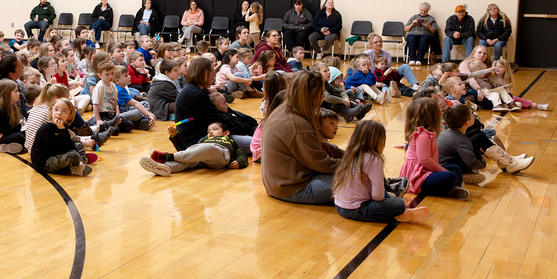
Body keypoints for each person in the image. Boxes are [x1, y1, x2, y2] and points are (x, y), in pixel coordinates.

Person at [260, 70, 344, 205]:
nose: (323, 96)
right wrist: (354, 164)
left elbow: (319, 145)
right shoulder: (295, 123)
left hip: (281, 184)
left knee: (357, 174)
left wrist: (349, 156)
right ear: (310, 95)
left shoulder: (287, 110)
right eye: (320, 93)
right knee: (358, 180)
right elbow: (321, 162)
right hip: (292, 188)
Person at [334, 120, 430, 223]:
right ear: (379, 141)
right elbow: (378, 196)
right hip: (356, 210)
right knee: (400, 203)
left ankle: (398, 209)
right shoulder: (373, 159)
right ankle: (401, 212)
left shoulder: (351, 153)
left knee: (388, 196)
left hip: (339, 205)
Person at [173, 57, 257, 150]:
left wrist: (251, 123)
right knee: (259, 144)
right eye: (211, 71)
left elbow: (227, 112)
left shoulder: (198, 90)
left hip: (210, 133)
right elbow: (220, 117)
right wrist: (246, 129)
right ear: (203, 72)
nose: (214, 75)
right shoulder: (195, 94)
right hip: (199, 141)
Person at [399, 98, 470, 200]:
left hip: (424, 171)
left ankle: (455, 189)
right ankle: (448, 189)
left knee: (455, 168)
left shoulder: (425, 133)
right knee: (450, 176)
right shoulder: (423, 135)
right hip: (418, 177)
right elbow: (424, 159)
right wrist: (442, 170)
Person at [140, 120, 248, 176]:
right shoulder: (203, 140)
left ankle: (168, 157)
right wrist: (174, 135)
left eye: (214, 129)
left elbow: (241, 154)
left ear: (226, 133)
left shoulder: (230, 141)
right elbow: (186, 151)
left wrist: (239, 162)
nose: (210, 132)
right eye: (208, 131)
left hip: (219, 156)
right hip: (203, 158)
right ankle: (162, 167)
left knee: (209, 148)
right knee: (187, 160)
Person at [31, 98, 93, 176]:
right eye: (56, 109)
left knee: (79, 144)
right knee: (72, 155)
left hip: (58, 155)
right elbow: (57, 151)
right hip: (44, 162)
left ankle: (79, 164)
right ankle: (78, 164)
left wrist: (63, 130)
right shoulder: (46, 128)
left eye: (64, 111)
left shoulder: (63, 127)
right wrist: (62, 131)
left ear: (69, 116)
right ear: (51, 112)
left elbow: (69, 145)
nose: (59, 113)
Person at [0, 79, 27, 153]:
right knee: (20, 137)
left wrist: (6, 132)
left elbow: (17, 126)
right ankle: (10, 146)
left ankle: (10, 146)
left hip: (6, 135)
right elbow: (7, 129)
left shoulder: (13, 107)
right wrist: (6, 132)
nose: (19, 93)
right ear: (6, 93)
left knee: (27, 134)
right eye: (16, 91)